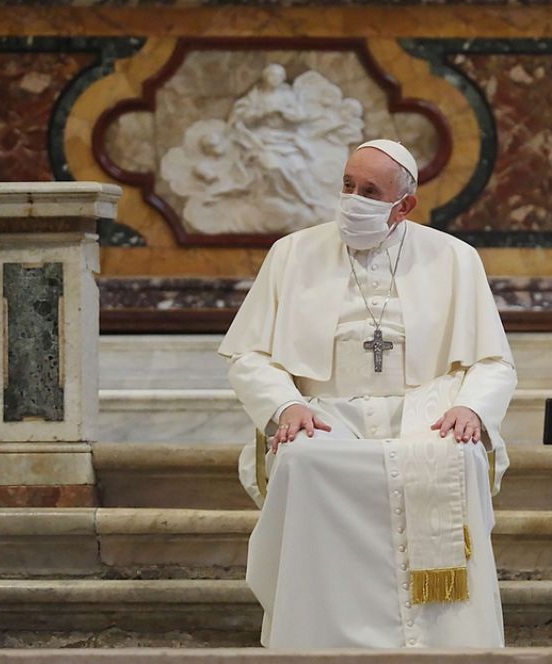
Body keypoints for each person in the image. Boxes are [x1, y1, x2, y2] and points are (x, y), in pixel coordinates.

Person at [218, 139, 517, 649]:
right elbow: (248, 355)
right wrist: (285, 405)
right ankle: (318, 637)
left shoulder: (454, 258)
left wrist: (470, 407)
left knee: (456, 455)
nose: (353, 198)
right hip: (325, 409)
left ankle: (447, 642)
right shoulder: (292, 253)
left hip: (427, 408)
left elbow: (493, 360)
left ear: (405, 205)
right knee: (303, 462)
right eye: (348, 185)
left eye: (371, 191)